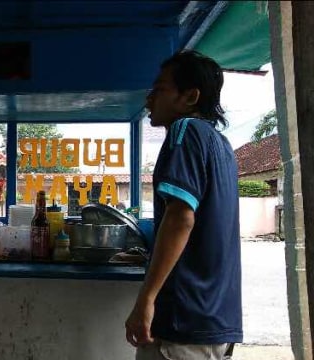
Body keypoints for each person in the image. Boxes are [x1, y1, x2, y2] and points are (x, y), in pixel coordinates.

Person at [124, 50, 242, 360]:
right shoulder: (220, 143)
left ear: (190, 96)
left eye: (160, 89)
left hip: (183, 322)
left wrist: (146, 300)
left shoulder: (185, 130)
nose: (149, 98)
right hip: (213, 320)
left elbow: (180, 218)